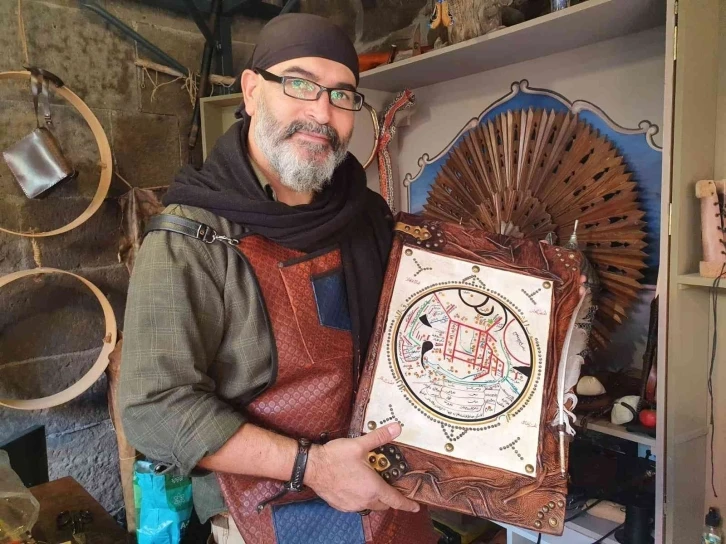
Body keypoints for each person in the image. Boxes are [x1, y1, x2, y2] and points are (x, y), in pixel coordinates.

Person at [119, 12, 438, 544]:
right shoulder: (191, 239)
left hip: (392, 498)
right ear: (251, 91)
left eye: (341, 95)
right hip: (268, 512)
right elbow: (155, 407)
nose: (321, 112)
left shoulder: (368, 217)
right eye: (299, 84)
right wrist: (313, 467)